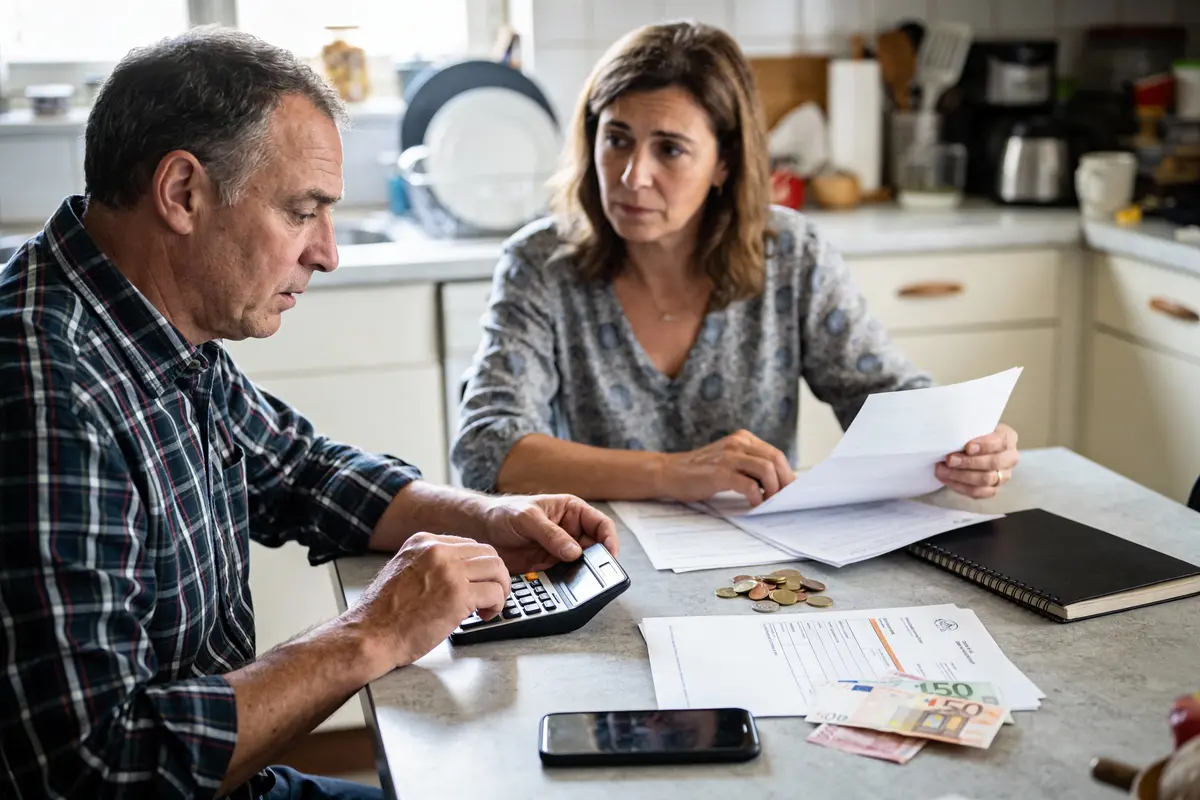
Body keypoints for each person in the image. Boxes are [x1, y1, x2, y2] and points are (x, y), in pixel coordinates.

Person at [0, 27, 617, 800]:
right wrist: (375, 630)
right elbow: (99, 771)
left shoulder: (145, 317)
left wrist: (488, 517)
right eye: (302, 212)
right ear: (182, 193)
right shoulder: (47, 387)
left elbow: (300, 471)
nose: (327, 252)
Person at [452, 20, 1021, 507]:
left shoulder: (791, 253)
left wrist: (963, 442)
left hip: (767, 571)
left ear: (724, 162)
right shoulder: (541, 264)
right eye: (617, 139)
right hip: (600, 567)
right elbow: (485, 448)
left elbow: (882, 396)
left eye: (670, 149)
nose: (632, 176)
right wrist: (674, 474)